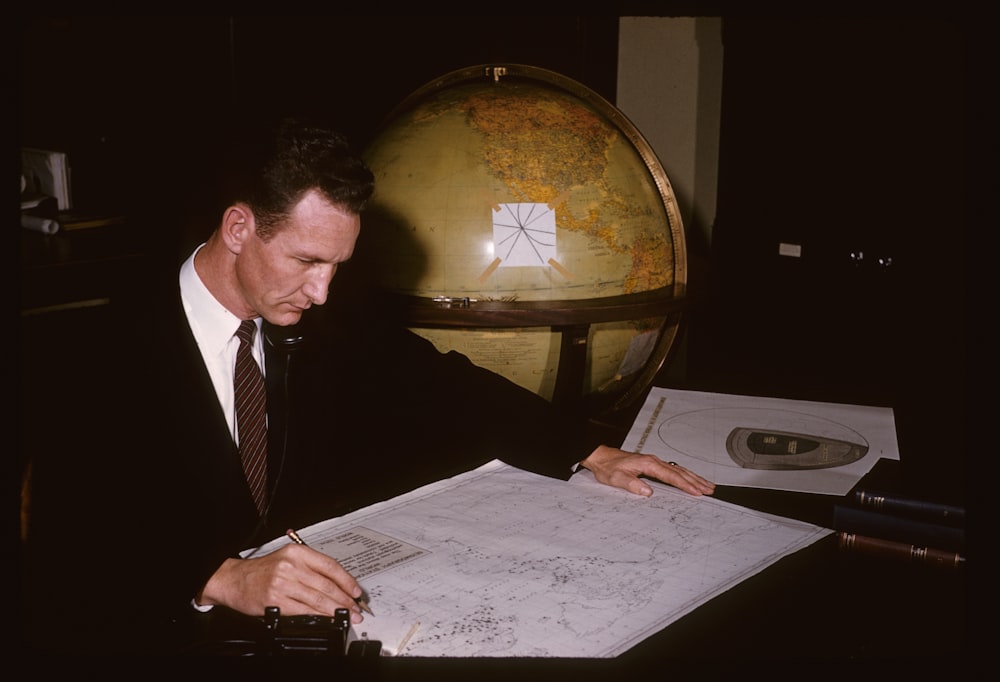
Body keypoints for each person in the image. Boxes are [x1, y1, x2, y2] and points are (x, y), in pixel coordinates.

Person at [20, 117, 713, 657]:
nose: (322, 292)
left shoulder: (326, 325)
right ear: (238, 228)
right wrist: (219, 577)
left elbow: (451, 387)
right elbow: (72, 537)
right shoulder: (98, 353)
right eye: (306, 260)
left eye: (337, 266)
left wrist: (592, 453)